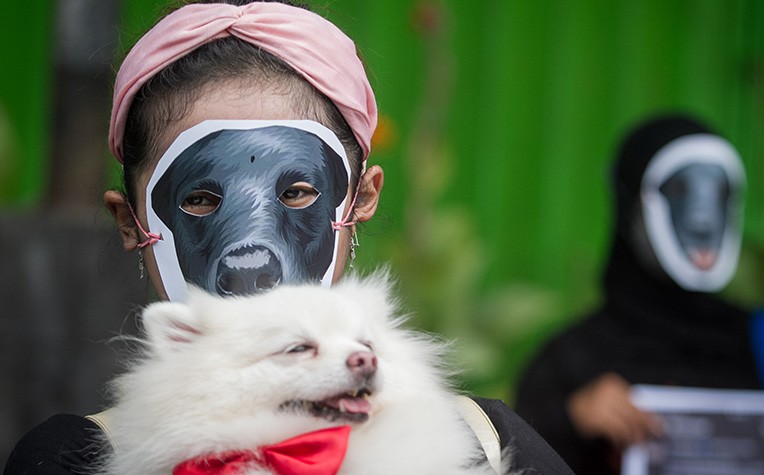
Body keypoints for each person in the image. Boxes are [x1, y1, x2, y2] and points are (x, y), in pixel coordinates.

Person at [4, 1, 572, 473]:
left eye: (297, 192)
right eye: (199, 200)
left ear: (361, 198)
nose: (252, 255)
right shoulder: (71, 461)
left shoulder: (487, 445)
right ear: (132, 221)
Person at [515, 114, 764, 474]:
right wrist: (570, 421)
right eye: (679, 191)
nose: (702, 220)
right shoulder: (569, 359)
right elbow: (511, 460)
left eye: (719, 192)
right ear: (630, 206)